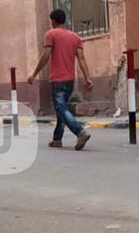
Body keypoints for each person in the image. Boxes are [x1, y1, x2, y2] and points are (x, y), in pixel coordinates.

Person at [27, 9, 94, 150]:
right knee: (61, 110)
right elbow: (81, 58)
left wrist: (34, 74)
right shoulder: (75, 37)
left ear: (53, 21)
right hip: (70, 80)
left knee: (61, 108)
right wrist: (87, 78)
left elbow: (46, 56)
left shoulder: (51, 34)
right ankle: (57, 139)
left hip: (58, 79)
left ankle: (80, 132)